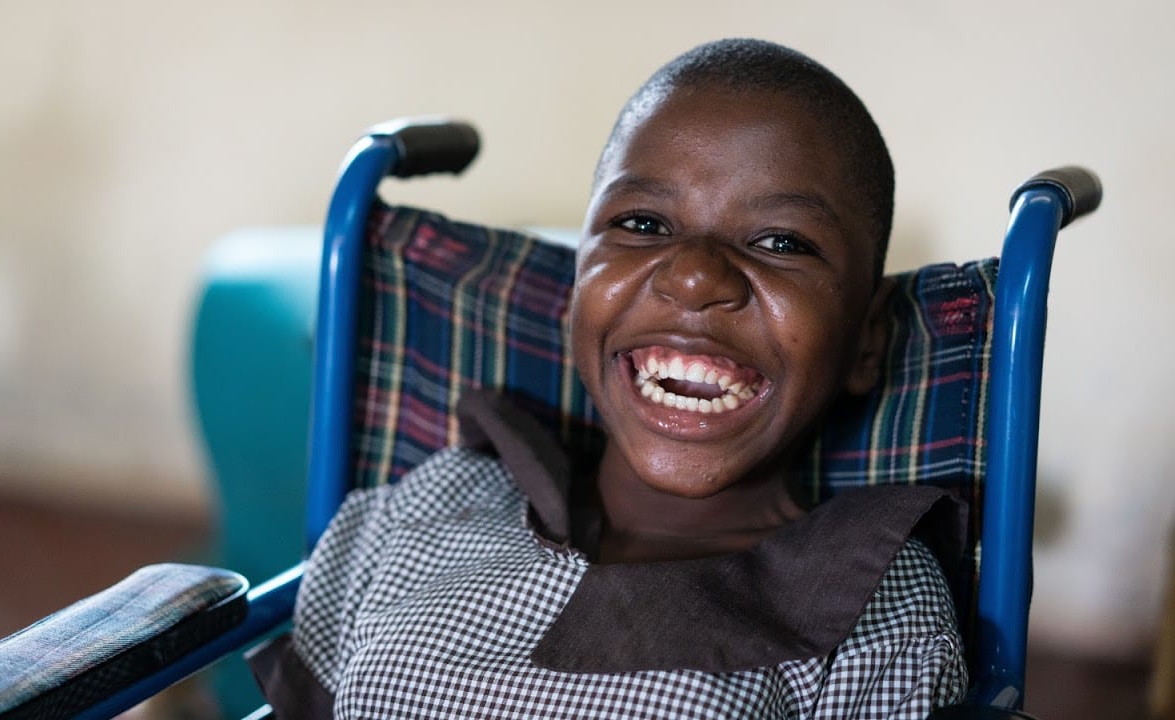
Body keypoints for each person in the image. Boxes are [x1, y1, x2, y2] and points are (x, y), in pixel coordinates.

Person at [249, 38, 969, 719]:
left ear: (869, 339)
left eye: (781, 241)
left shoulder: (876, 608)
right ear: (576, 285)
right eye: (645, 224)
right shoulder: (433, 503)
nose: (693, 275)